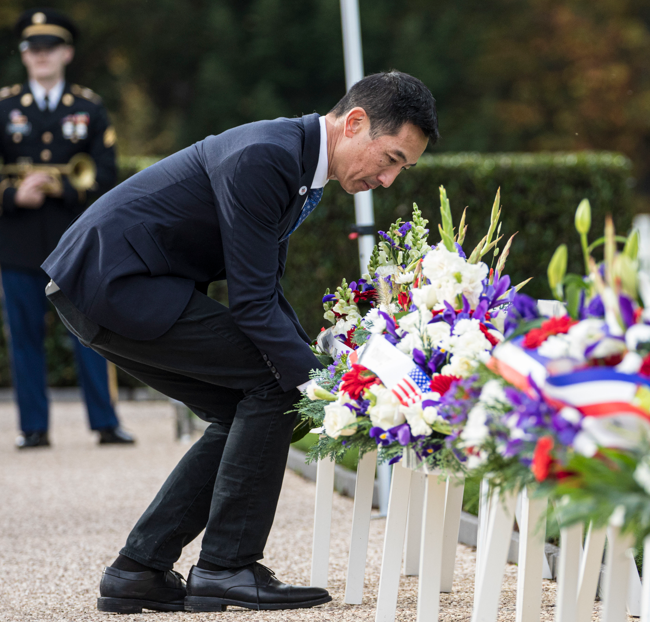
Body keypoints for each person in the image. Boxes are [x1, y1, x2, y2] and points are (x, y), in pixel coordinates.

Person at [43, 70, 439, 612]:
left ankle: (137, 570)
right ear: (355, 123)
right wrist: (326, 388)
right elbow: (250, 305)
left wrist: (328, 367)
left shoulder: (297, 162)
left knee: (247, 406)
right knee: (275, 391)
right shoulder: (268, 156)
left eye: (403, 169)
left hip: (114, 284)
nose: (390, 179)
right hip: (114, 282)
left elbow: (265, 293)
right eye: (391, 158)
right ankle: (226, 567)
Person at [0, 8, 132, 449]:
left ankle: (105, 423)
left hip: (76, 240)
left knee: (92, 334)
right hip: (17, 241)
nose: (40, 56)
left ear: (66, 53)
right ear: (24, 55)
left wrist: (64, 190)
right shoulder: (4, 107)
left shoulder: (89, 107)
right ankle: (33, 428)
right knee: (24, 337)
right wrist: (12, 195)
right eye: (32, 49)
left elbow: (108, 171)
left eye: (49, 48)